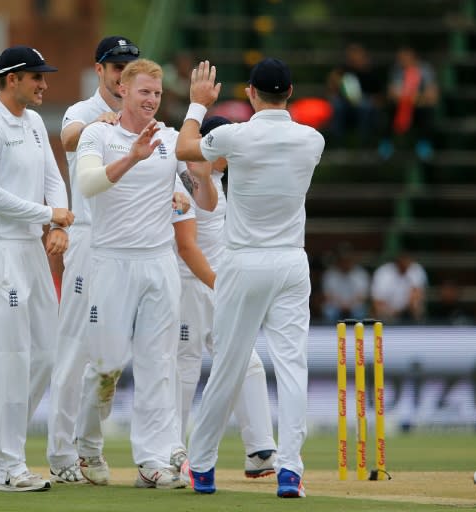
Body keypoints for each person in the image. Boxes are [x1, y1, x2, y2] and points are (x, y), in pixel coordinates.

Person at [175, 58, 325, 498]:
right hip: (291, 262)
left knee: (229, 363)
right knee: (293, 366)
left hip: (243, 261)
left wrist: (197, 106)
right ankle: (290, 471)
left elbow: (187, 149)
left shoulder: (233, 136)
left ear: (251, 94)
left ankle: (201, 467)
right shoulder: (312, 140)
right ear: (291, 92)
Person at [73, 58, 217, 489]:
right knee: (106, 365)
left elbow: (205, 202)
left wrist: (204, 177)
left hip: (158, 263)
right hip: (110, 262)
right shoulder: (98, 134)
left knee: (158, 363)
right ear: (123, 90)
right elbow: (88, 185)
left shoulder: (170, 140)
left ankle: (152, 461)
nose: (151, 100)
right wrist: (132, 158)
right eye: (144, 92)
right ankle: (87, 448)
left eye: (156, 93)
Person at [0, 45, 73, 493]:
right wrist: (46, 213)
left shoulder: (31, 124)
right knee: (11, 358)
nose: (44, 84)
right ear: (12, 79)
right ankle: (9, 468)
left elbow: (53, 175)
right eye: (36, 78)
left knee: (46, 353)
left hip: (28, 247)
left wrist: (56, 221)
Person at [46, 35, 140, 484]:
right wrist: (97, 127)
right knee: (75, 347)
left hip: (127, 245)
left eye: (129, 64)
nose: (122, 72)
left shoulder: (142, 117)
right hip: (86, 239)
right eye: (115, 65)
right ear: (100, 70)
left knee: (112, 356)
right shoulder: (84, 112)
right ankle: (61, 454)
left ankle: (89, 446)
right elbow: (65, 138)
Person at [172, 116, 277, 479]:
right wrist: (220, 284)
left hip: (218, 286)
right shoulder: (181, 177)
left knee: (246, 362)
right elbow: (186, 247)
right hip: (188, 287)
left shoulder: (214, 178)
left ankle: (260, 451)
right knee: (184, 367)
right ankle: (174, 452)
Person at [379, 46, 439, 161]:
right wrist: (407, 97)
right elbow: (391, 93)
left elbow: (432, 94)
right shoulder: (396, 70)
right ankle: (386, 144)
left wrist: (417, 98)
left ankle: (424, 144)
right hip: (401, 105)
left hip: (419, 106)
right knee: (387, 110)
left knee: (427, 112)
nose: (402, 61)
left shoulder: (425, 70)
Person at [326, 43, 384, 147]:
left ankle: (363, 143)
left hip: (364, 103)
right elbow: (332, 88)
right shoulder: (343, 70)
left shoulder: (371, 71)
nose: (354, 57)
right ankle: (338, 143)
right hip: (345, 104)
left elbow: (379, 96)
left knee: (365, 106)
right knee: (337, 106)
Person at [371, 251, 427, 323]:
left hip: (407, 311)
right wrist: (390, 312)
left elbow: (417, 295)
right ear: (397, 262)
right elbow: (377, 302)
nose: (406, 265)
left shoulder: (416, 269)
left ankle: (419, 327)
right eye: (403, 262)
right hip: (387, 311)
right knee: (379, 310)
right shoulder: (383, 272)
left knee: (417, 304)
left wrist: (413, 306)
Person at [321, 242, 370, 323]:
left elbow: (363, 296)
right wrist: (341, 305)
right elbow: (327, 296)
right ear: (338, 260)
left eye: (347, 260)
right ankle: (330, 333)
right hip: (336, 305)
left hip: (355, 305)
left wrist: (349, 305)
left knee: (360, 311)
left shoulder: (360, 273)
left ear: (352, 259)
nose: (345, 263)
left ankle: (359, 333)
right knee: (328, 311)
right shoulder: (330, 274)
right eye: (343, 260)